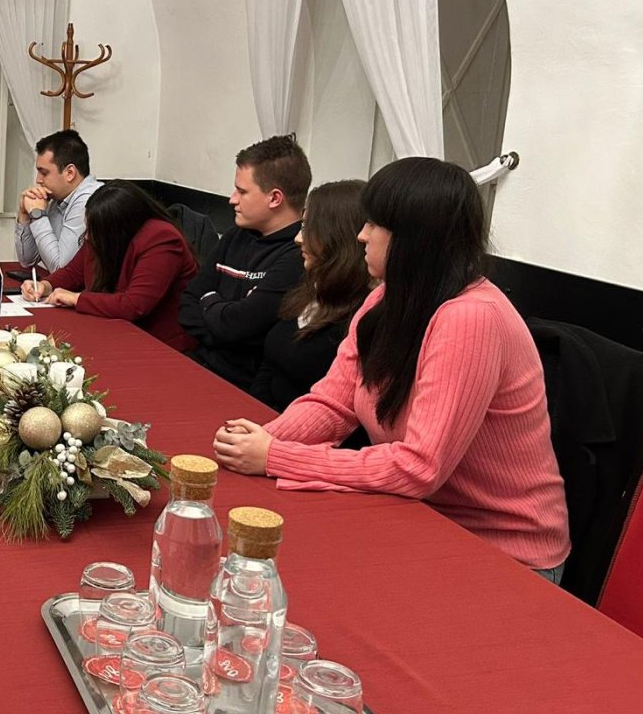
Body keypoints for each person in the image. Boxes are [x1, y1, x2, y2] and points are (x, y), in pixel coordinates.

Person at [213, 158, 571, 581]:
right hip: (421, 517)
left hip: (503, 551)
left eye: (374, 224)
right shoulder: (385, 299)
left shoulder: (471, 318)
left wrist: (276, 457)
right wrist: (260, 440)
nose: (361, 235)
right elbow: (333, 403)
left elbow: (419, 467)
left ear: (412, 239)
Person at [179, 133, 309, 390]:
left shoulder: (298, 255)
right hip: (200, 365)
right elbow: (187, 304)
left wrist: (211, 303)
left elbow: (241, 327)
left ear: (275, 198)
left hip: (243, 387)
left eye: (242, 191)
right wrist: (224, 330)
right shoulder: (235, 235)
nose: (232, 200)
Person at [21, 180, 198, 351]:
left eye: (92, 231)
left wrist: (76, 298)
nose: (87, 237)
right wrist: (45, 285)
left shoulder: (162, 239)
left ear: (118, 229)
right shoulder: (106, 232)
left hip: (162, 344)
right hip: (118, 330)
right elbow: (74, 272)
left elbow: (134, 305)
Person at [250, 180, 370, 410]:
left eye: (308, 228)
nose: (298, 238)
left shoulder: (360, 314)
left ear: (338, 237)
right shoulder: (308, 287)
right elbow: (270, 364)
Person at [14, 129, 103, 272]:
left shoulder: (90, 199)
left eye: (44, 173)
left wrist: (38, 215)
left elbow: (60, 269)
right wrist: (24, 214)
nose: (38, 180)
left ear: (70, 173)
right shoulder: (58, 197)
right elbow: (27, 261)